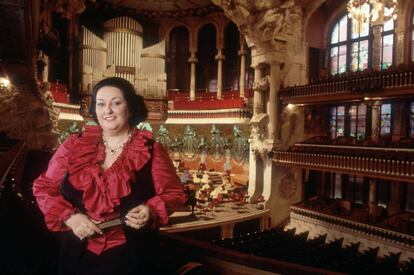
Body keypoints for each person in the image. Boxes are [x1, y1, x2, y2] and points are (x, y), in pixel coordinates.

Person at [33, 77, 187, 275]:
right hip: (75, 256)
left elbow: (174, 194)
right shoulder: (74, 145)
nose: (108, 110)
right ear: (95, 110)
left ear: (130, 107)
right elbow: (44, 187)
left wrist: (151, 209)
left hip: (130, 257)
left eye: (116, 102)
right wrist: (70, 217)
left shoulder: (152, 150)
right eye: (101, 104)